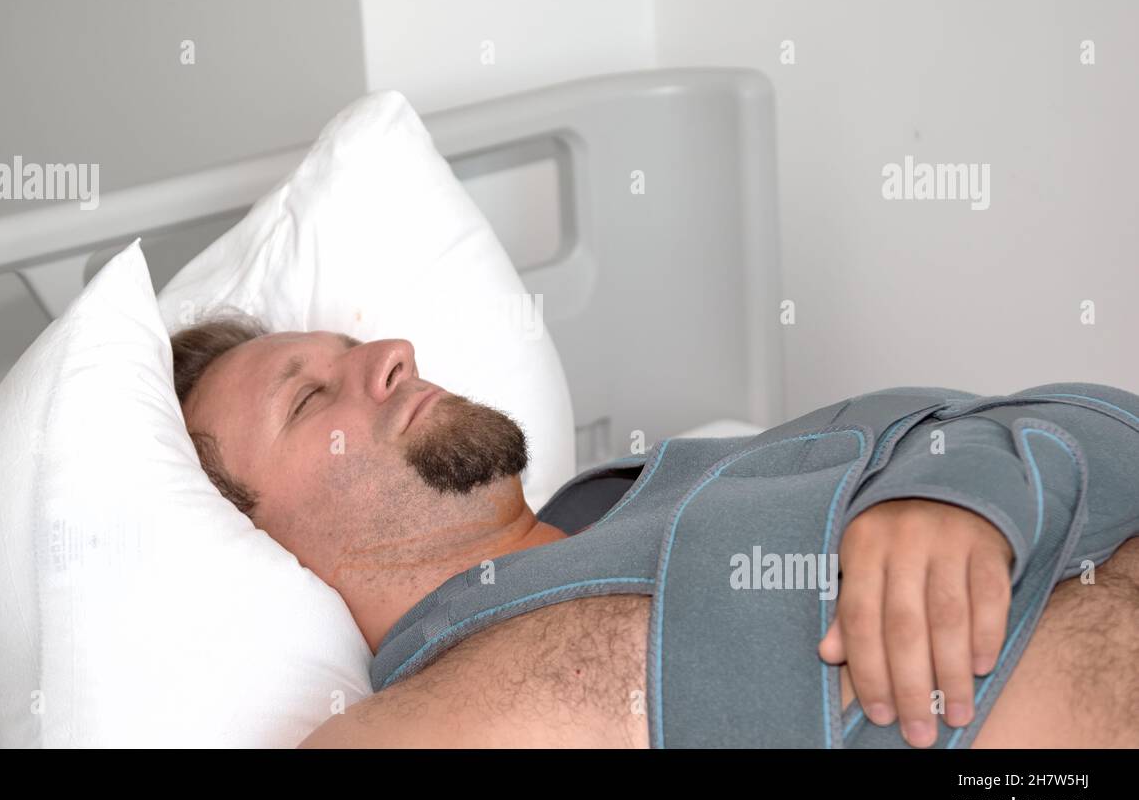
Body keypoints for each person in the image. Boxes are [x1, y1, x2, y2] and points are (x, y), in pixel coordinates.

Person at [170, 314, 1139, 748]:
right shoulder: (412, 725)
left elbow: (1103, 425)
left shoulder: (692, 470)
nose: (388, 353)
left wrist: (956, 490)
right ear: (254, 543)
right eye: (308, 397)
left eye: (352, 345)